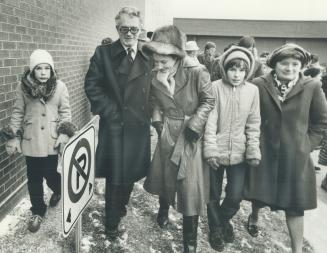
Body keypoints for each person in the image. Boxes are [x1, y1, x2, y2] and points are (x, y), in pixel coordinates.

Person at [244, 43, 327, 253]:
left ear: (301, 65)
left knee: (295, 205)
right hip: (265, 150)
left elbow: (321, 121)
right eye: (284, 63)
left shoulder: (312, 87)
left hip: (295, 157)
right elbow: (249, 115)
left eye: (295, 64)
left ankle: (296, 250)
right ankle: (254, 216)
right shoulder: (259, 84)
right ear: (275, 64)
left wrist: (307, 145)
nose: (290, 68)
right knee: (259, 192)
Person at [142, 25, 215, 252]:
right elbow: (155, 102)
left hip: (190, 135)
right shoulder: (155, 76)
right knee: (166, 176)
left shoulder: (197, 73)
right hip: (167, 132)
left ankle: (189, 242)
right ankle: (164, 208)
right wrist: (157, 122)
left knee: (189, 187)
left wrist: (195, 124)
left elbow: (208, 100)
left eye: (164, 61)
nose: (158, 66)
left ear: (176, 57)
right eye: (156, 61)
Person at [84, 6, 151, 240]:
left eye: (134, 29)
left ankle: (120, 209)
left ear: (140, 29)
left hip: (138, 128)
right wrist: (112, 112)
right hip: (114, 127)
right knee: (115, 176)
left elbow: (156, 89)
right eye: (124, 29)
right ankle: (111, 222)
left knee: (130, 174)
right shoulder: (103, 54)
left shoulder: (148, 54)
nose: (130, 33)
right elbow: (92, 86)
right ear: (117, 29)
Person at [1, 49, 75, 233]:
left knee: (50, 174)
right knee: (33, 177)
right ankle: (38, 211)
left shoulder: (60, 87)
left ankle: (58, 189)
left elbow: (65, 112)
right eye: (39, 68)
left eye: (46, 68)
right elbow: (18, 112)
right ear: (32, 71)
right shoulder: (23, 87)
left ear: (51, 70)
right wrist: (13, 136)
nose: (43, 72)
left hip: (51, 140)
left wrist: (64, 133)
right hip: (31, 140)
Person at [203, 46, 261, 251]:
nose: (237, 74)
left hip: (239, 151)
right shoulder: (215, 87)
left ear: (248, 71)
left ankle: (222, 218)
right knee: (212, 192)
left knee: (235, 195)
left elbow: (254, 122)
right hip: (216, 151)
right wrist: (210, 149)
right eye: (233, 69)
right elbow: (210, 121)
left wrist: (253, 149)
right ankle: (216, 229)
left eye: (241, 70)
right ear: (225, 69)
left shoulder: (253, 91)